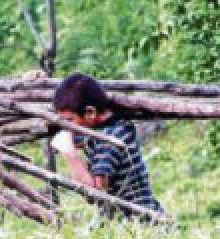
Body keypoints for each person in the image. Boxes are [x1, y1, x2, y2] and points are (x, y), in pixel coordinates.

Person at [50, 72, 165, 218]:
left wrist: (69, 154)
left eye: (69, 120)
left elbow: (94, 195)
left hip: (135, 220)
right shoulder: (109, 127)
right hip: (130, 216)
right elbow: (84, 141)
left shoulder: (109, 140)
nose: (66, 126)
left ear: (90, 113)